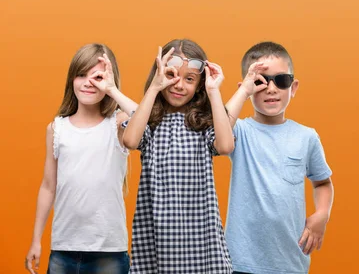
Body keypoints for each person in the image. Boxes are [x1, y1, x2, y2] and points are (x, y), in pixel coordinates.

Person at [122, 39, 234, 273]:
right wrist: (154, 87)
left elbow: (225, 146)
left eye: (189, 79)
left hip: (202, 244)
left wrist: (214, 91)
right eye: (172, 75)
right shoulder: (150, 123)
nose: (179, 85)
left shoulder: (202, 124)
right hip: (157, 243)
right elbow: (130, 141)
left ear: (200, 85)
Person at [25, 43, 137, 274]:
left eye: (96, 77)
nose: (88, 82)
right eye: (81, 75)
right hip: (63, 248)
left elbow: (146, 120)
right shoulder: (56, 128)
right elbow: (48, 186)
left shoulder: (117, 123)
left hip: (109, 250)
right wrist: (36, 239)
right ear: (71, 80)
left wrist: (112, 89)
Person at [224, 41, 335, 274]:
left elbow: (322, 182)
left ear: (293, 88)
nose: (271, 89)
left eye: (281, 81)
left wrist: (322, 214)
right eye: (260, 82)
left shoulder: (306, 137)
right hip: (241, 262)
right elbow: (218, 129)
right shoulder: (239, 131)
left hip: (290, 263)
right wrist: (243, 91)